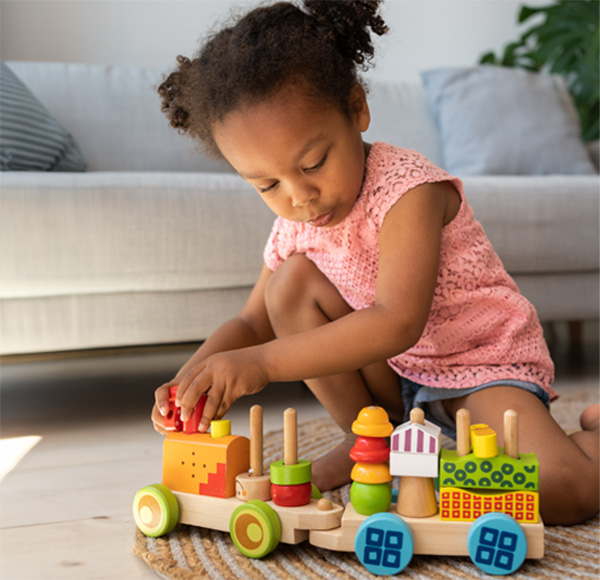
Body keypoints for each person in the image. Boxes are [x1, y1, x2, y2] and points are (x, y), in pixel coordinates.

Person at [151, 0, 599, 525]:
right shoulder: (295, 222)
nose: (300, 196)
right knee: (289, 285)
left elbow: (396, 321)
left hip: (480, 370)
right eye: (267, 185)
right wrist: (190, 378)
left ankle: (590, 435)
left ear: (357, 108)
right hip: (394, 382)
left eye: (313, 162)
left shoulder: (408, 189)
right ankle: (370, 435)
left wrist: (263, 364)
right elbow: (253, 321)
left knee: (562, 494)